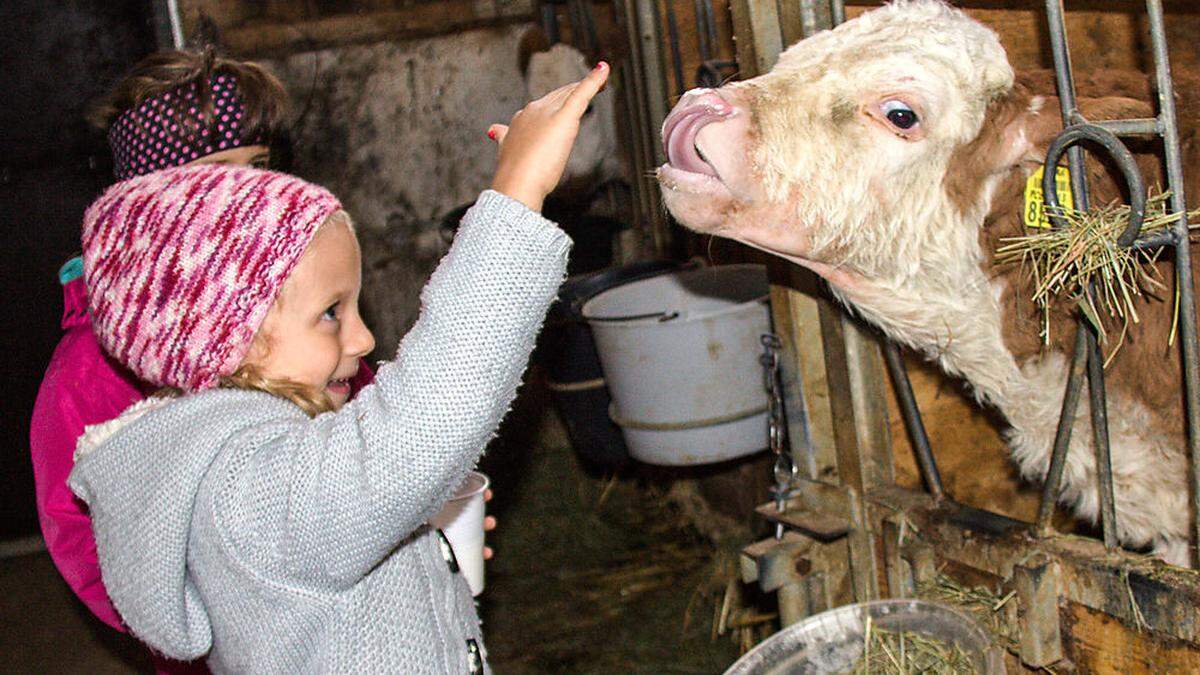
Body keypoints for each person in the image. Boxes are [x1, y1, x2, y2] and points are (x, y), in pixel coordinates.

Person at [68, 63, 609, 672]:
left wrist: (422, 543)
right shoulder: (246, 493)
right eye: (331, 313)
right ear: (224, 333)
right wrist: (517, 193)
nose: (365, 336)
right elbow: (422, 426)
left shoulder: (242, 456)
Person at [27, 48, 366, 640]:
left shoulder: (307, 305)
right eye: (219, 172)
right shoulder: (92, 369)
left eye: (259, 163)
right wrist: (192, 617)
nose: (253, 188)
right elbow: (78, 530)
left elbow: (368, 427)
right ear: (151, 203)